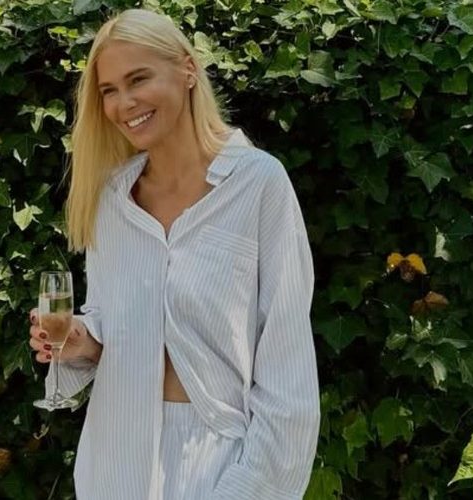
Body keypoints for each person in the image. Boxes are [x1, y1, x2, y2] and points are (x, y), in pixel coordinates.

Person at [26, 8, 319, 500]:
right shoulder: (111, 200)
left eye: (138, 79)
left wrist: (252, 487)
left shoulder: (257, 184)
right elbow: (114, 321)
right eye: (109, 90)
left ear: (187, 70)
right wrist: (85, 341)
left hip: (219, 468)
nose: (124, 103)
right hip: (114, 465)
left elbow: (287, 369)